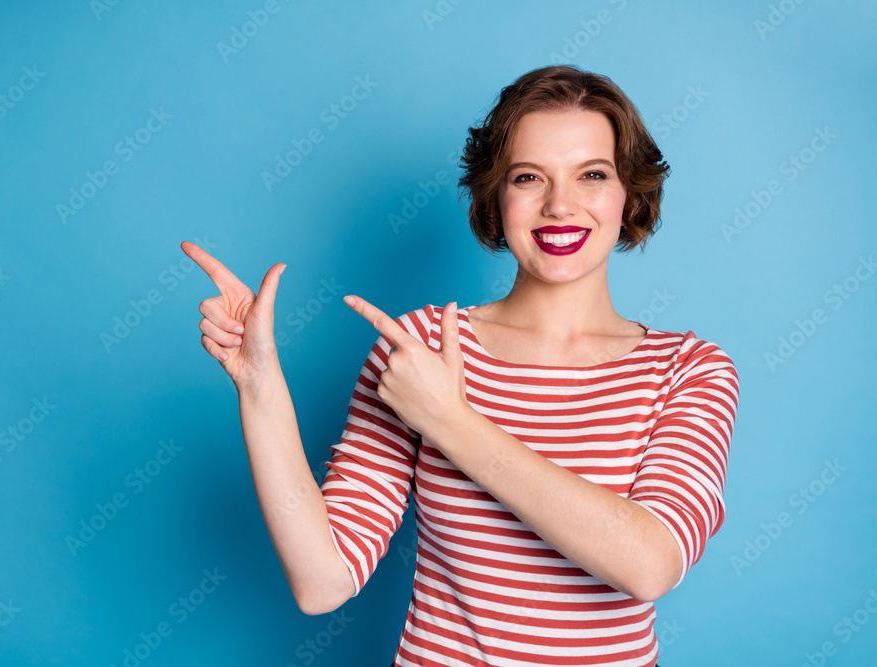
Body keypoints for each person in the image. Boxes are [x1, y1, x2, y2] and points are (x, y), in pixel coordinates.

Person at [181, 64, 738, 667]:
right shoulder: (419, 347)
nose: (559, 205)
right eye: (529, 177)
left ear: (629, 193)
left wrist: (451, 421)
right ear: (497, 194)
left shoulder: (690, 370)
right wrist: (259, 383)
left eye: (591, 175)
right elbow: (323, 581)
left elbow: (649, 565)